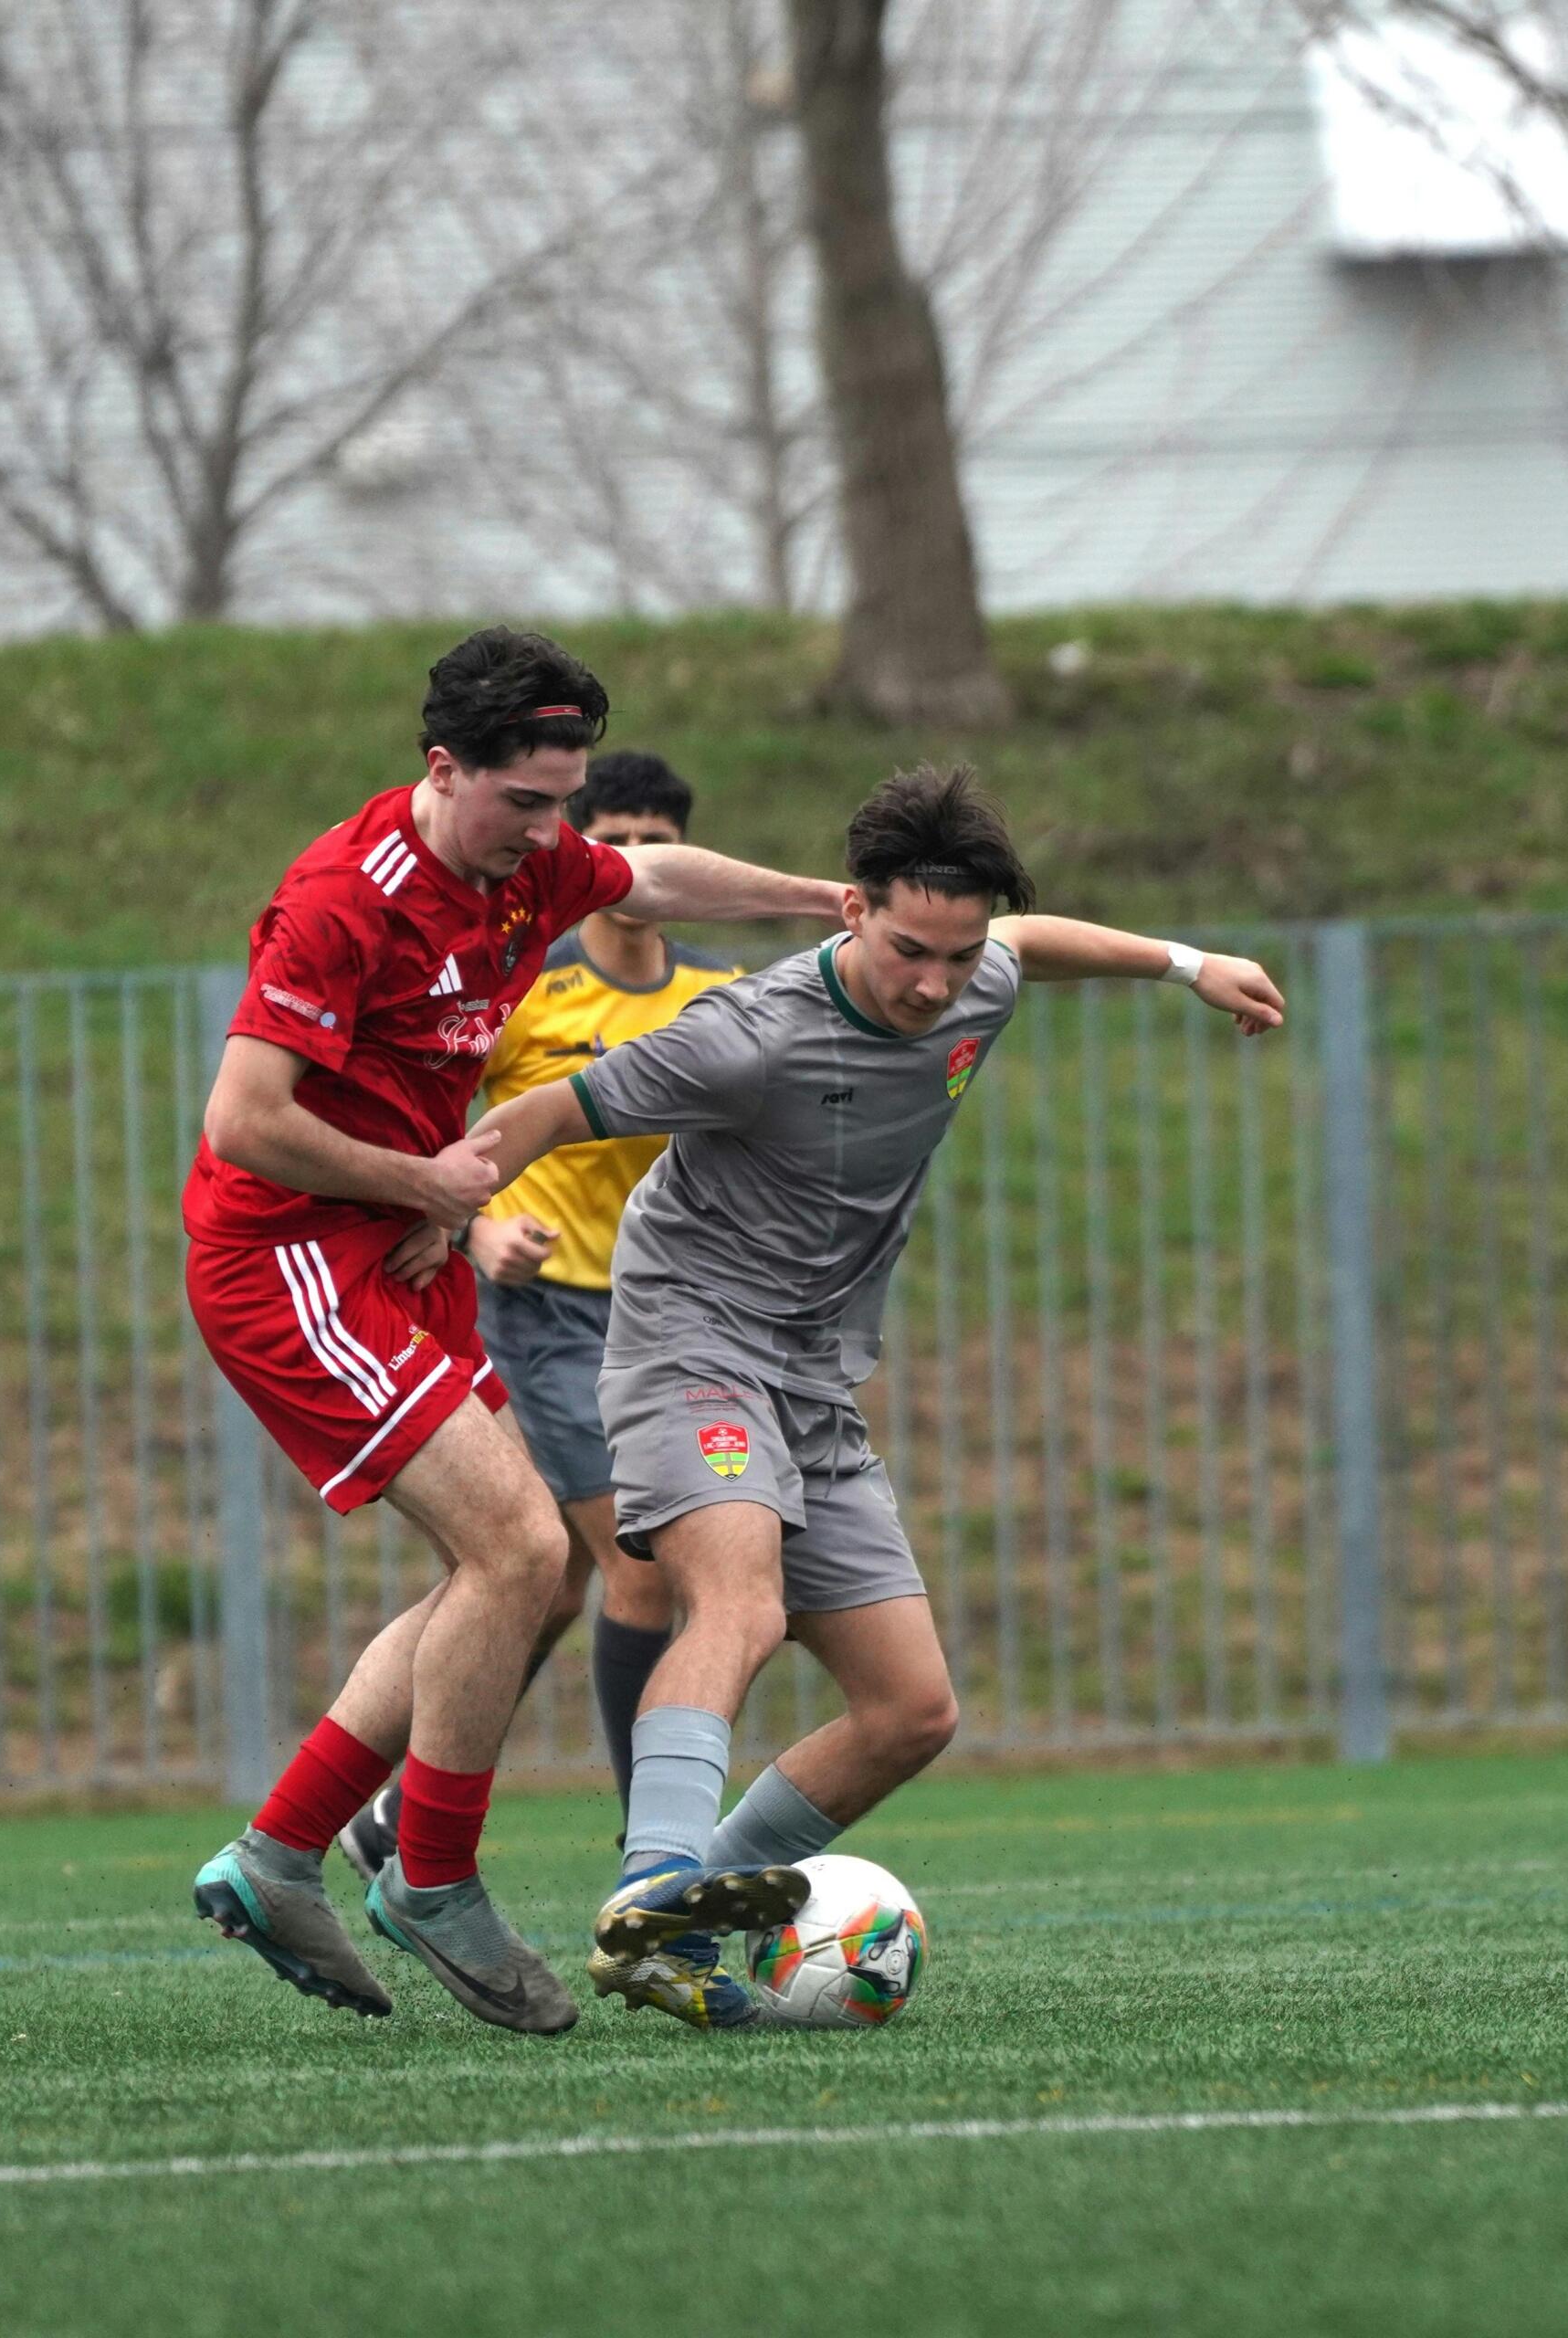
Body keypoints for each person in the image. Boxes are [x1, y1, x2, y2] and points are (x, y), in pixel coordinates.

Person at [466, 763, 1286, 2029]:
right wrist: (443, 1216)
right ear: (848, 912)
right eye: (908, 949)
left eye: (952, 959)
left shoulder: (974, 977)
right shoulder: (746, 1035)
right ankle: (655, 1877)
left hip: (811, 1371)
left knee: (910, 1709)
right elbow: (544, 1115)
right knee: (735, 1602)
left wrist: (1187, 965)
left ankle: (674, 1926)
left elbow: (1027, 940)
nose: (931, 984)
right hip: (690, 1342)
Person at [184, 627, 841, 2037]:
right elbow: (243, 1122)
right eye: (526, 805)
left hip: (394, 1244)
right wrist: (422, 1180)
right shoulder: (340, 902)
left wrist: (818, 900)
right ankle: (429, 1879)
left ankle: (283, 1849)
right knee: (526, 1549)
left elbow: (650, 873)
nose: (551, 839)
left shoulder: (527, 862)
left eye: (565, 803)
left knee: (530, 1580)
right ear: (442, 769)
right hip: (287, 1258)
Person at [335, 750, 740, 1883]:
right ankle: (656, 1849)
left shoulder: (716, 994)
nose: (637, 859)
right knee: (640, 1571)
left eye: (656, 838)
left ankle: (391, 1817)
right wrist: (473, 1230)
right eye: (616, 836)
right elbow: (439, 1128)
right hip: (548, 1314)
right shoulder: (527, 986)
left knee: (553, 1579)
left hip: (671, 1321)